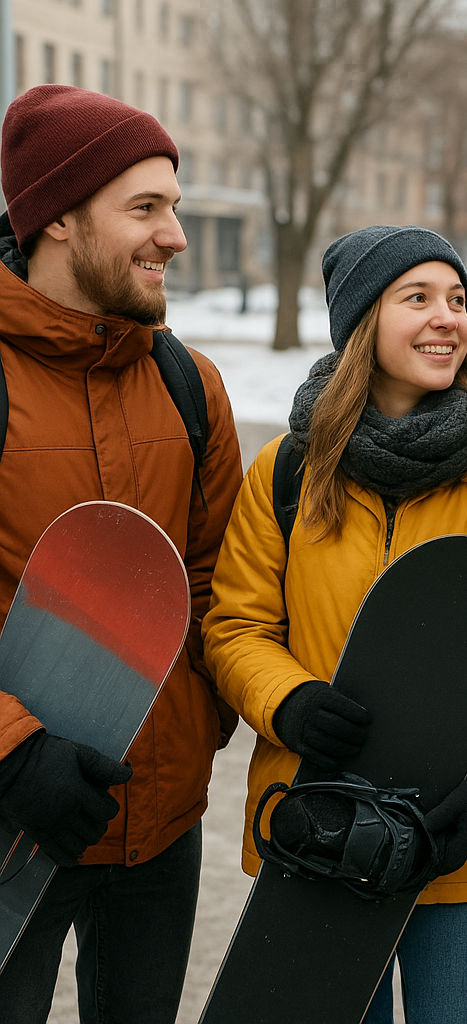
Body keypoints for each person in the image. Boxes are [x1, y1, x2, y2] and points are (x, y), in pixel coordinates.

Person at [202, 224, 467, 1023]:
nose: (448, 317)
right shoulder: (286, 473)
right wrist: (289, 702)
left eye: (458, 300)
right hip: (319, 826)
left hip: (460, 840)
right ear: (361, 323)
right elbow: (235, 626)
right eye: (418, 298)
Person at [0, 85, 243, 1022]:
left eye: (173, 206)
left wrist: (200, 725)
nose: (174, 235)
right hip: (11, 824)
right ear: (57, 217)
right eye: (144, 208)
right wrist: (15, 755)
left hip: (160, 830)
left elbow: (219, 583)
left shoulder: (191, 383)